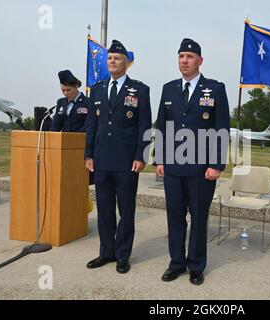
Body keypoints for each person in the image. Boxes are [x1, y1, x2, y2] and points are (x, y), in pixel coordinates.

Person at [155, 38, 230, 285]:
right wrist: (160, 159)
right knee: (175, 217)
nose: (184, 60)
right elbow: (162, 128)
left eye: (189, 56)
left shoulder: (215, 89)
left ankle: (196, 265)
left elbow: (222, 128)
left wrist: (217, 164)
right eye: (181, 56)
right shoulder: (169, 89)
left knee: (198, 218)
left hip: (202, 169)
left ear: (200, 60)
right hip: (174, 167)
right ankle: (176, 263)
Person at [85, 40, 152, 274]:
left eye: (117, 58)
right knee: (104, 208)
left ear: (126, 63)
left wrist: (141, 156)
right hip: (102, 160)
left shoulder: (140, 90)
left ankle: (123, 255)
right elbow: (91, 125)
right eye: (110, 57)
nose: (112, 61)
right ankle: (106, 252)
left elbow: (144, 126)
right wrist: (88, 154)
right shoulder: (97, 89)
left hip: (126, 162)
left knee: (126, 210)